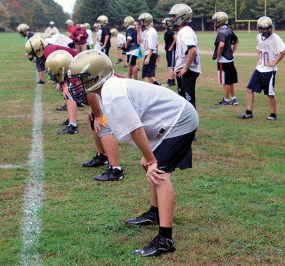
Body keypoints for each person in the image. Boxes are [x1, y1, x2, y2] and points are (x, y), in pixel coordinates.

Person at [68, 50, 198, 256]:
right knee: (151, 166)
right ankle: (155, 213)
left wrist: (152, 159)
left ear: (97, 76)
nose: (77, 85)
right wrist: (149, 159)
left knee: (159, 174)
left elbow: (136, 129)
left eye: (81, 79)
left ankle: (165, 239)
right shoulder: (108, 88)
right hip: (171, 118)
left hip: (179, 119)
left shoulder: (112, 92)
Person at [45, 50, 125, 180]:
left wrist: (98, 114)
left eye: (53, 72)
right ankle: (102, 155)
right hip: (108, 95)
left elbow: (91, 93)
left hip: (117, 95)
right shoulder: (75, 74)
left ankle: (115, 169)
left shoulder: (79, 75)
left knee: (104, 125)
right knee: (95, 120)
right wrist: (95, 113)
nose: (52, 75)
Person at [24, 36, 79, 134]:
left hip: (77, 66)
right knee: (68, 93)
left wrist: (60, 82)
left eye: (34, 53)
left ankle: (73, 126)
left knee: (68, 92)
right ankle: (71, 119)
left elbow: (61, 67)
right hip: (72, 66)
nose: (34, 56)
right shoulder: (47, 50)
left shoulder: (49, 51)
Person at [239, 16, 285, 120]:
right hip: (260, 68)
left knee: (269, 93)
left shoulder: (275, 38)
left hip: (269, 70)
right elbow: (259, 48)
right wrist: (259, 58)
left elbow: (284, 50)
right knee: (249, 89)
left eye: (266, 28)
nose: (264, 30)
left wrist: (275, 61)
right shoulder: (258, 37)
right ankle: (248, 112)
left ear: (270, 28)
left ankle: (273, 114)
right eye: (262, 28)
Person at [169, 4, 201, 108]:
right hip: (186, 70)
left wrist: (185, 68)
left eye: (174, 16)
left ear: (181, 16)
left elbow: (192, 50)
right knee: (183, 101)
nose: (172, 18)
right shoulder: (184, 31)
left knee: (188, 103)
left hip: (187, 71)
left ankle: (191, 123)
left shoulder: (185, 32)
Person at [212, 11, 239, 106]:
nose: (214, 23)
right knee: (230, 80)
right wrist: (232, 52)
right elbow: (236, 41)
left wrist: (218, 55)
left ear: (220, 22)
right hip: (230, 59)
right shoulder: (229, 30)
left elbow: (221, 45)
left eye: (215, 21)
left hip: (223, 60)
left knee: (225, 81)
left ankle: (226, 100)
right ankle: (234, 99)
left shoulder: (221, 32)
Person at [137, 13, 161, 85]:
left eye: (142, 21)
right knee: (148, 75)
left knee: (146, 75)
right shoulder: (147, 31)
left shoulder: (151, 32)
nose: (140, 22)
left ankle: (156, 87)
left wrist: (148, 58)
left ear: (146, 21)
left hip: (150, 54)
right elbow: (139, 41)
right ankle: (156, 86)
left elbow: (152, 47)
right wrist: (138, 31)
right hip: (150, 54)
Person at [162, 18, 176, 87]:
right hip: (168, 51)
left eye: (164, 23)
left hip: (171, 51)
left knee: (170, 66)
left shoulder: (170, 31)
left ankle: (170, 81)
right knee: (170, 66)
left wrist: (171, 46)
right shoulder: (168, 31)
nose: (163, 25)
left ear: (168, 24)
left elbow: (176, 38)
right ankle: (173, 81)